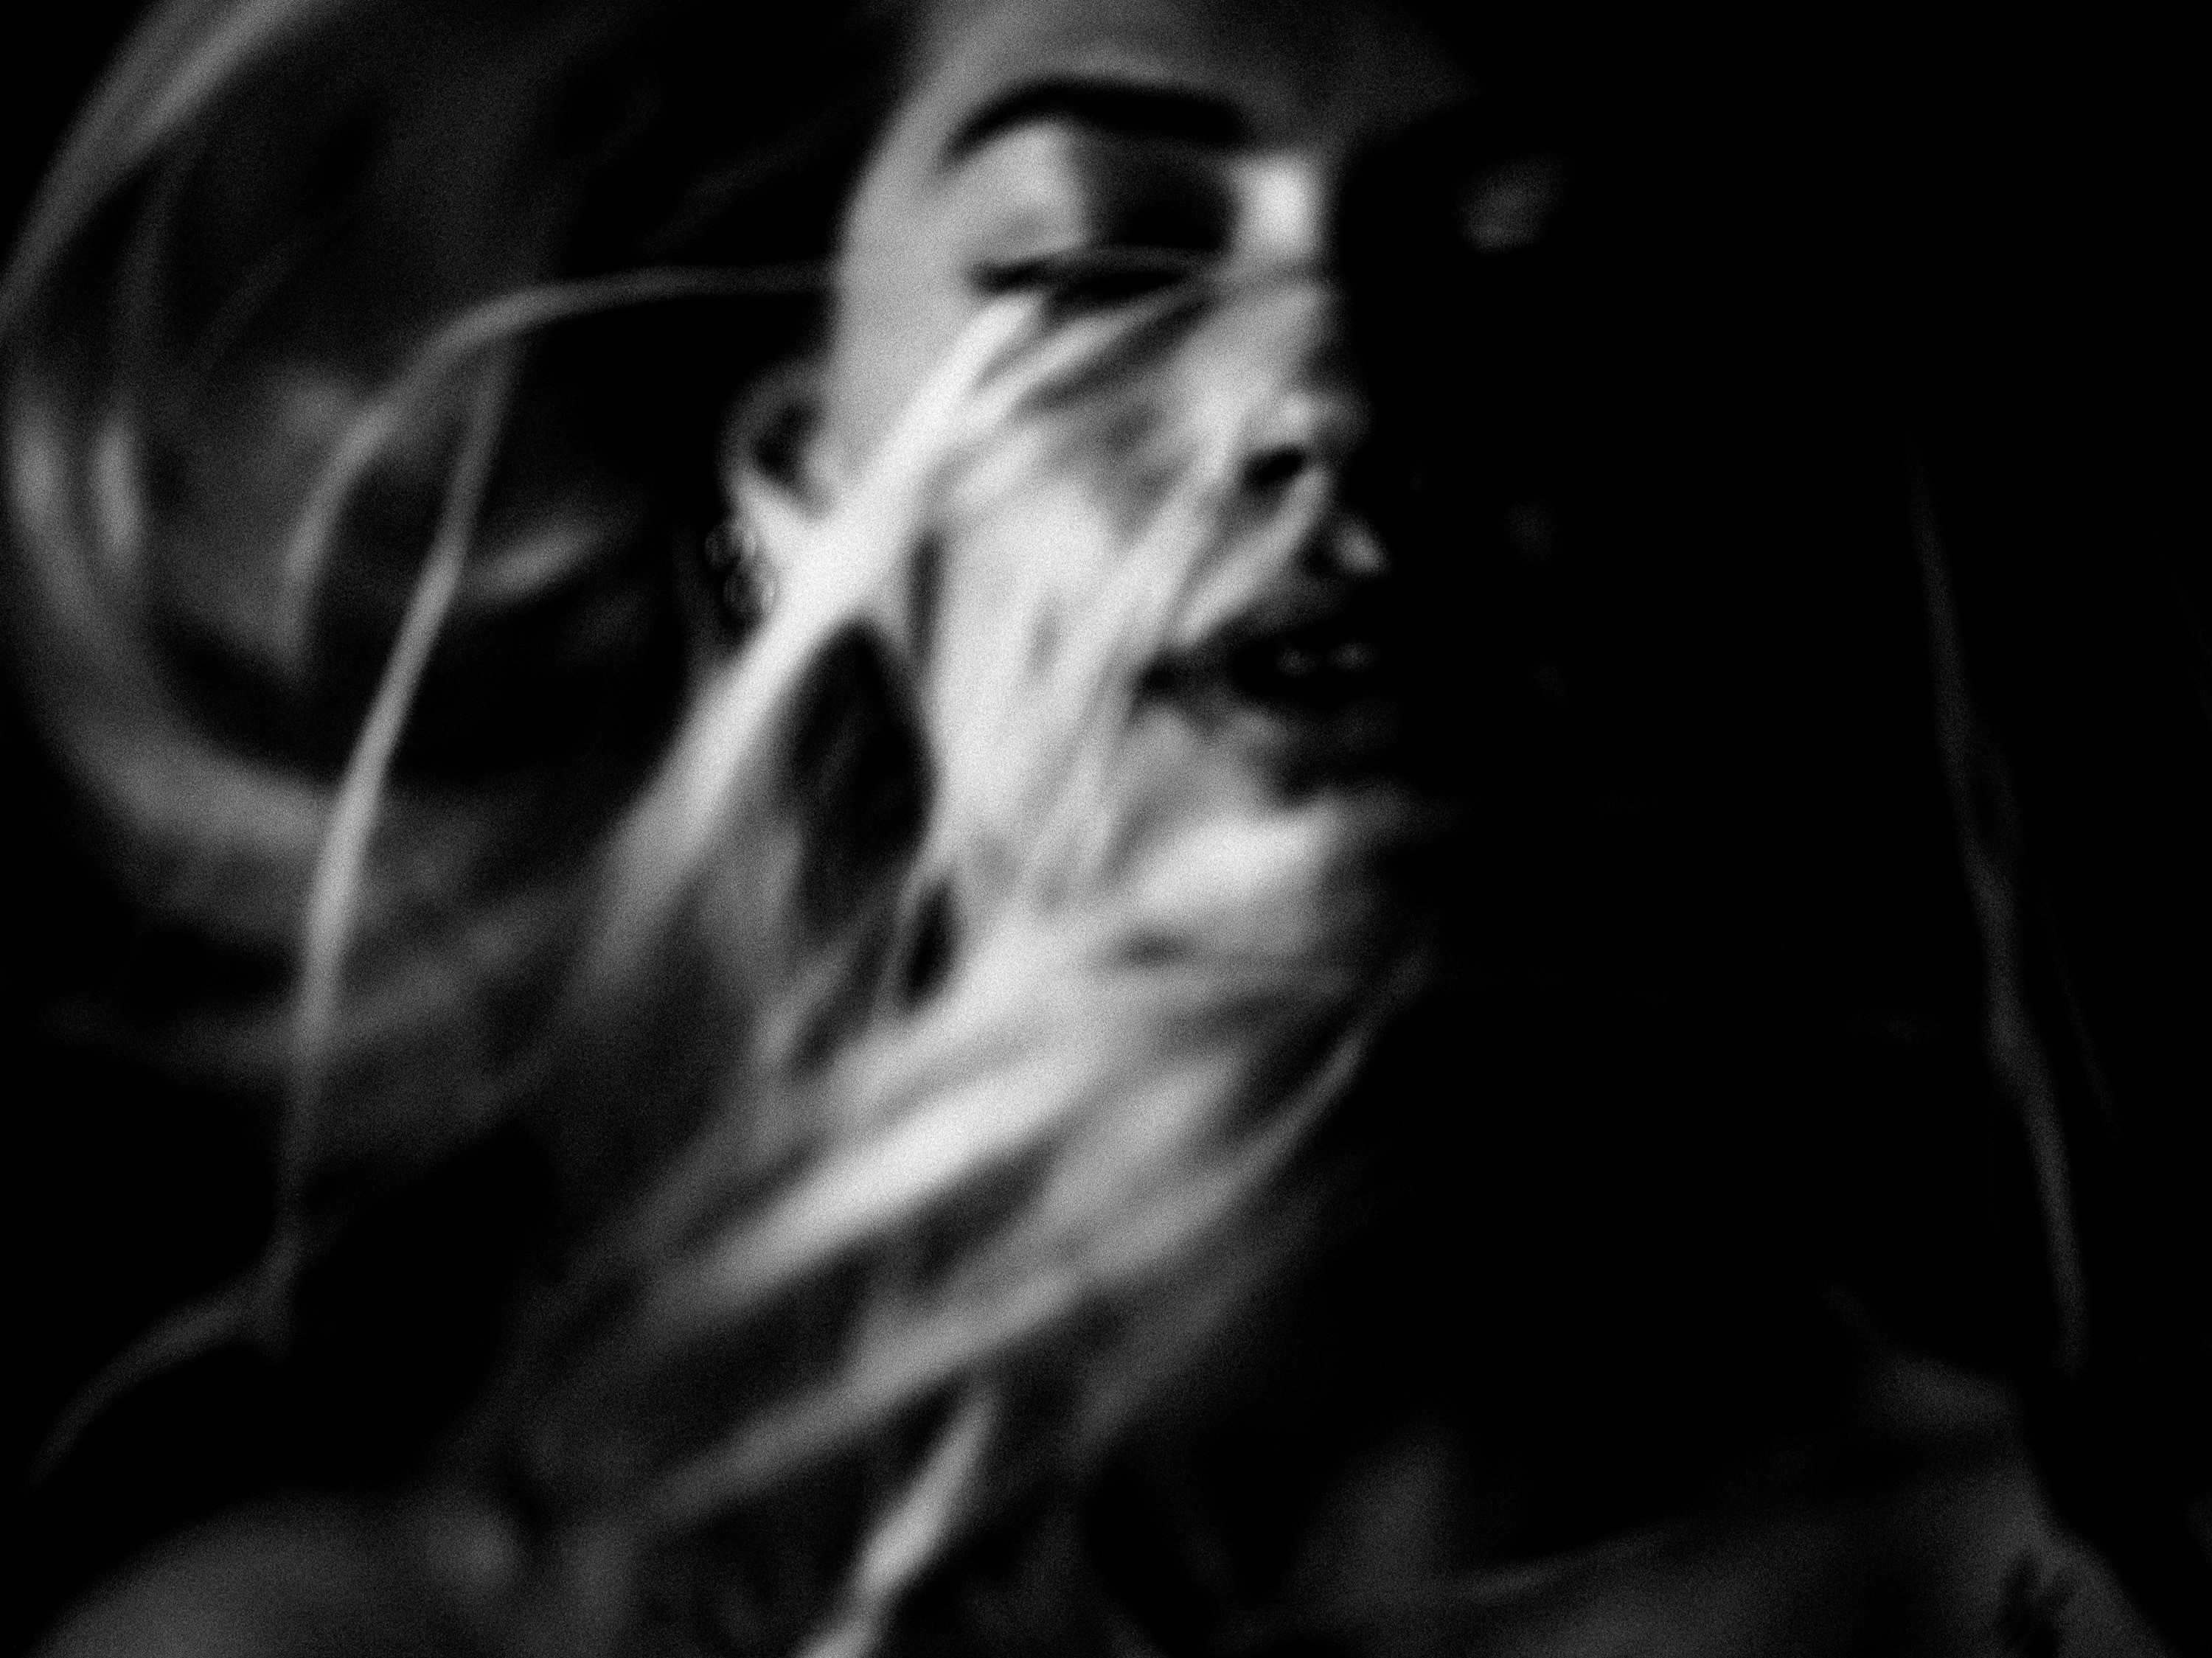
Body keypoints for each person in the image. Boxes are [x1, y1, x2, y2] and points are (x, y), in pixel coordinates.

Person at [3, 0, 2205, 1653]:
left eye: (1513, 264)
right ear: (801, 502)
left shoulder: (2053, 1576)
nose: (1328, 393)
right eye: (1095, 264)